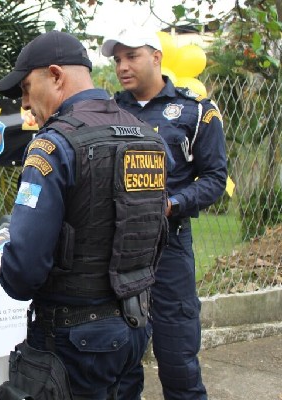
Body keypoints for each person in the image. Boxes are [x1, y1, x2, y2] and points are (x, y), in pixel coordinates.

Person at [0, 30, 169, 399]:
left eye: (26, 88)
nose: (24, 103)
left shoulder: (53, 145)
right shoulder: (147, 137)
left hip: (73, 340)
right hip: (133, 327)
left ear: (55, 75)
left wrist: (7, 271)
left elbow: (24, 270)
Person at [101, 28, 228, 400]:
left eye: (132, 56)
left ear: (156, 57)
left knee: (178, 358)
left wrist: (173, 203)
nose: (123, 67)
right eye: (117, 59)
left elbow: (215, 178)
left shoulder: (197, 111)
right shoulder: (106, 111)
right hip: (116, 248)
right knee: (118, 359)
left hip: (169, 245)